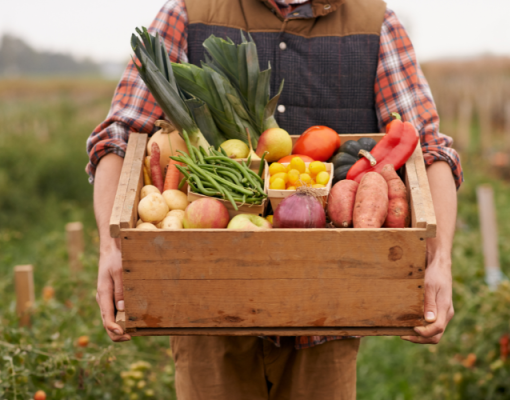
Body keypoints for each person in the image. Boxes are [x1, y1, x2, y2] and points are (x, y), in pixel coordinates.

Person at [87, 0, 463, 398]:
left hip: (328, 314)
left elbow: (430, 149)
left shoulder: (374, 21)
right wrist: (111, 247)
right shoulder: (190, 12)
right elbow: (119, 137)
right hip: (210, 311)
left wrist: (440, 261)